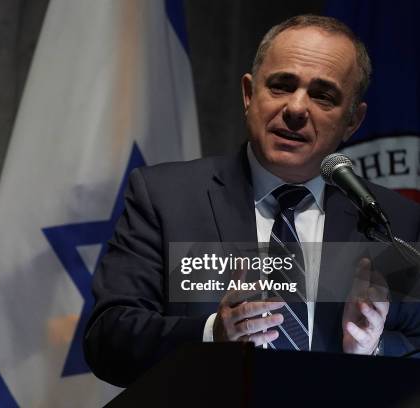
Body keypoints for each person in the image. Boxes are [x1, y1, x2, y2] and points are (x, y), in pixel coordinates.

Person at [83, 15, 420, 387]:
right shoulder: (167, 198)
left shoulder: (389, 222)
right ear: (248, 94)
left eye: (322, 95)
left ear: (353, 121)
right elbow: (108, 339)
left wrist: (373, 352)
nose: (295, 109)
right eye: (281, 85)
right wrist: (214, 335)